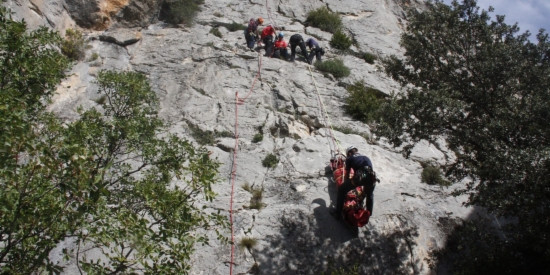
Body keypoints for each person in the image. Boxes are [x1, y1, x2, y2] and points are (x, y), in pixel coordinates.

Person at [335, 146, 376, 221]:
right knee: (369, 194)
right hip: (372, 177)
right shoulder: (366, 157)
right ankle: (369, 213)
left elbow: (347, 173)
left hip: (360, 177)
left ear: (349, 153)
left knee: (341, 190)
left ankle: (337, 214)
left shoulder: (350, 158)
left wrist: (346, 184)